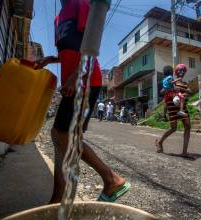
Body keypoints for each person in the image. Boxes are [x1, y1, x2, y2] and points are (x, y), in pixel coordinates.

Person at [35, 0, 130, 203]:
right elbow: (70, 49)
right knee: (59, 136)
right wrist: (50, 59)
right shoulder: (58, 18)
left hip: (86, 80)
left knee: (64, 135)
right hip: (72, 82)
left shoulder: (81, 4)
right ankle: (57, 200)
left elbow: (90, 46)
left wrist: (75, 75)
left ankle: (111, 179)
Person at [156, 64, 191, 157]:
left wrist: (182, 91)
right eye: (179, 70)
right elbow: (162, 92)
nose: (181, 72)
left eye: (183, 71)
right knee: (173, 128)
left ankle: (184, 152)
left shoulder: (185, 84)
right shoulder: (171, 81)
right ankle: (159, 142)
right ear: (176, 72)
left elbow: (190, 92)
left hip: (183, 108)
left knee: (188, 127)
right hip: (172, 108)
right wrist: (172, 89)